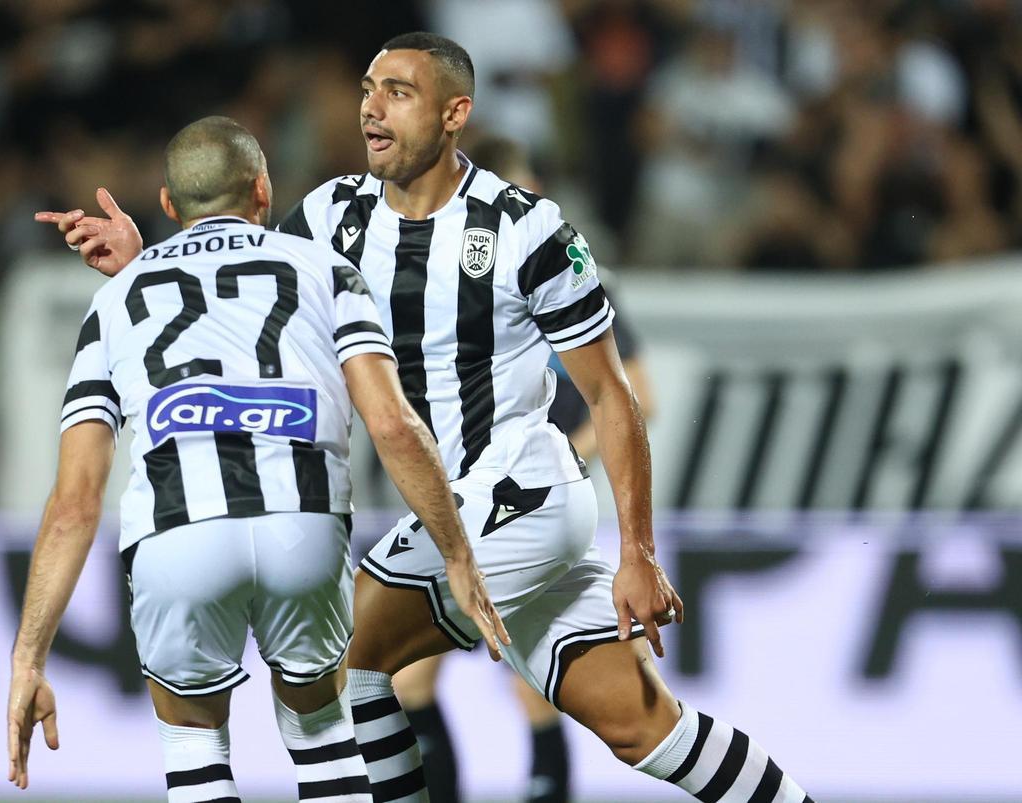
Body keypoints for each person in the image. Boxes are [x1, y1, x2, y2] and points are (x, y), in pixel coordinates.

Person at [44, 34, 813, 803]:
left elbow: (615, 396)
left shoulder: (526, 228)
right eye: (368, 88)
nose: (371, 108)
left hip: (516, 494)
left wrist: (639, 550)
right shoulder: (332, 214)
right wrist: (149, 256)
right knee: (645, 727)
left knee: (342, 661)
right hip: (467, 512)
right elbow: (244, 286)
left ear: (456, 113)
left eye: (398, 92)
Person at [9, 115, 508, 802]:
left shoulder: (115, 301)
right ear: (264, 191)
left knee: (195, 742)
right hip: (301, 524)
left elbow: (74, 503)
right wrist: (455, 550)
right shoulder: (328, 271)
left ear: (165, 206)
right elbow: (392, 422)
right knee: (322, 732)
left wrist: (28, 657)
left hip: (178, 533)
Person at [388, 134, 658, 803]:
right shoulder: (445, 285)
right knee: (412, 677)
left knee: (520, 676)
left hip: (529, 501)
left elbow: (637, 396)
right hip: (459, 499)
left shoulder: (574, 273)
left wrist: (563, 455)